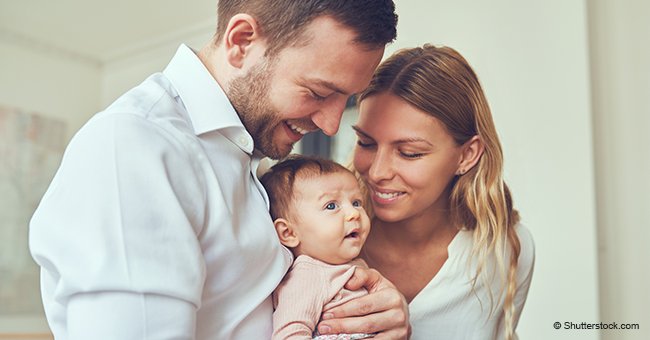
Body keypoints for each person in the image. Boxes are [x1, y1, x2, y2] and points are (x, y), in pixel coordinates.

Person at [29, 1, 409, 339]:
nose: (330, 124)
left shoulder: (246, 157)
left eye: (347, 98)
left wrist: (368, 313)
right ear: (242, 41)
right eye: (319, 92)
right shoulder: (136, 146)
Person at [350, 45, 535, 339]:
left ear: (467, 155)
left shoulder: (505, 249)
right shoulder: (311, 234)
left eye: (409, 153)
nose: (377, 172)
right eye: (366, 143)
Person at [260, 155, 374, 340]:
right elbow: (289, 334)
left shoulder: (351, 266)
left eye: (356, 203)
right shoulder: (307, 276)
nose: (354, 213)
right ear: (289, 233)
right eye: (331, 206)